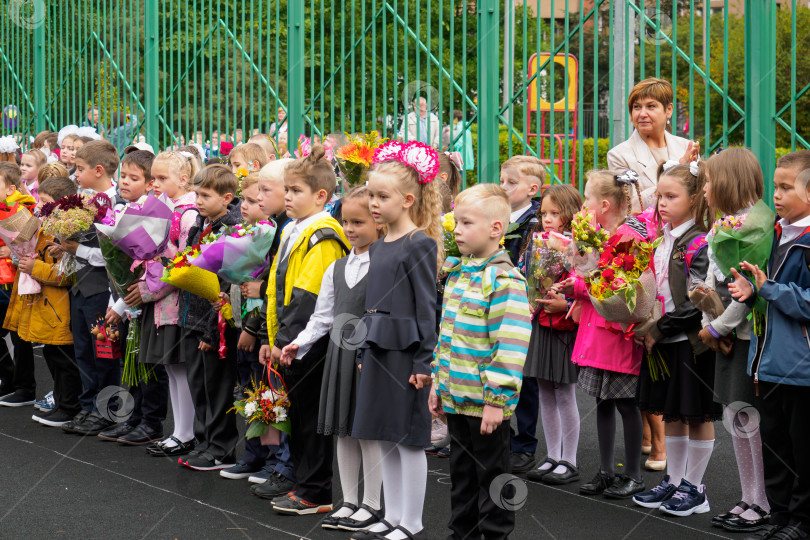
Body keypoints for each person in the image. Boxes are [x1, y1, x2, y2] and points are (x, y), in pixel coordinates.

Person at [348, 140, 442, 540]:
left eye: (381, 196)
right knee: (384, 436)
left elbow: (426, 309)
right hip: (378, 351)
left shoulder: (419, 243)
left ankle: (412, 520)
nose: (372, 203)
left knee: (408, 439)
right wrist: (366, 350)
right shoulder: (380, 242)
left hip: (406, 355)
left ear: (406, 200)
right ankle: (391, 514)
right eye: (370, 193)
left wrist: (424, 364)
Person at [280, 186, 385, 532]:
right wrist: (300, 343)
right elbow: (322, 317)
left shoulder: (385, 264)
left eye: (359, 222)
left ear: (379, 222)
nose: (350, 229)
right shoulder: (337, 267)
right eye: (346, 222)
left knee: (367, 431)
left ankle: (372, 504)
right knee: (342, 430)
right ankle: (348, 500)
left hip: (369, 357)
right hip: (339, 356)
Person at [430, 183, 531, 539]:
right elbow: (448, 337)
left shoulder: (504, 280)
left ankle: (494, 535)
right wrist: (438, 384)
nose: (457, 230)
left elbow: (510, 346)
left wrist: (496, 401)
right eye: (456, 222)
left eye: (466, 223)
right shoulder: (459, 274)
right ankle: (462, 534)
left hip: (486, 405)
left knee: (493, 478)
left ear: (496, 229)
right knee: (461, 477)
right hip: (457, 395)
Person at [258, 144, 349, 515]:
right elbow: (275, 290)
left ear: (321, 196)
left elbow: (308, 297)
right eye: (288, 190)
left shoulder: (322, 235)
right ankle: (303, 484)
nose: (288, 196)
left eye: (295, 191)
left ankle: (316, 491)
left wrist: (286, 342)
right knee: (297, 416)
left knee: (311, 420)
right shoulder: (295, 228)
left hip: (310, 344)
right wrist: (270, 337)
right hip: (290, 342)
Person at [632, 162, 722, 516]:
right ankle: (673, 480)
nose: (662, 203)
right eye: (660, 196)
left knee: (696, 413)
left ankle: (695, 488)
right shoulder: (663, 237)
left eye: (672, 196)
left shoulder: (699, 240)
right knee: (672, 413)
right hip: (665, 338)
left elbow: (695, 300)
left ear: (695, 198)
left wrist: (657, 329)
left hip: (689, 339)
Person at [729, 150, 810, 540]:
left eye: (784, 187)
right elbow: (768, 294)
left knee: (803, 449)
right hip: (766, 362)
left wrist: (769, 289)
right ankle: (780, 515)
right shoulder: (773, 233)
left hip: (801, 367)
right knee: (777, 445)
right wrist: (750, 291)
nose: (774, 195)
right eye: (774, 185)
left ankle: (802, 522)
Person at [694, 149, 771, 533]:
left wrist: (718, 327)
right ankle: (747, 496)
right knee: (733, 417)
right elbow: (713, 279)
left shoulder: (754, 227)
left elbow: (744, 292)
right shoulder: (722, 225)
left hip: (743, 336)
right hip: (724, 333)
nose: (704, 188)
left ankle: (761, 500)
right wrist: (709, 318)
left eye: (708, 181)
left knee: (748, 419)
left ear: (726, 182)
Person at [563, 170, 648, 499]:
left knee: (626, 404)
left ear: (604, 204)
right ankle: (605, 471)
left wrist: (578, 284)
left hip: (617, 336)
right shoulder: (599, 235)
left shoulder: (629, 237)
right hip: (597, 333)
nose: (583, 205)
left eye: (586, 199)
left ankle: (634, 475)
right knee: (602, 402)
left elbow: (620, 290)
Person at [178, 165, 242, 471]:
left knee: (217, 387)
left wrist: (210, 333)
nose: (198, 201)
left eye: (205, 195)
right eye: (196, 194)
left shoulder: (232, 228)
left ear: (227, 197)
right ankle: (204, 441)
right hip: (193, 316)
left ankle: (221, 447)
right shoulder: (201, 224)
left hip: (214, 324)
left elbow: (226, 285)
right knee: (199, 385)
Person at [57, 140, 122, 436]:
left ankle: (107, 410)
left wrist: (77, 250)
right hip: (81, 288)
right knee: (83, 350)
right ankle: (88, 404)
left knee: (104, 353)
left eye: (79, 169)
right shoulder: (87, 200)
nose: (75, 173)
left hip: (101, 290)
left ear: (98, 170)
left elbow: (111, 256)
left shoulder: (117, 202)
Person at [4, 177, 80, 427]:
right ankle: (61, 402)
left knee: (62, 356)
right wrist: (21, 258)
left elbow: (66, 274)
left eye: (46, 203)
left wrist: (33, 265)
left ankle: (69, 406)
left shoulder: (69, 228)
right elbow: (25, 245)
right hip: (43, 301)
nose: (40, 207)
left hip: (58, 304)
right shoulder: (43, 223)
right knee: (52, 352)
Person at [141, 151, 202, 459]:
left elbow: (189, 259)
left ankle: (186, 432)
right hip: (165, 298)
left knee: (181, 366)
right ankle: (179, 430)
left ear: (182, 178)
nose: (156, 184)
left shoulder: (187, 212)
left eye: (162, 179)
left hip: (178, 299)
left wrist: (162, 253)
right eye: (154, 178)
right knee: (172, 367)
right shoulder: (169, 208)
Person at [523, 184, 583, 485]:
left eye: (555, 213)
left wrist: (566, 302)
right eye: (544, 212)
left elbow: (585, 283)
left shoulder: (579, 245)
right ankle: (552, 454)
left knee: (564, 392)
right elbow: (528, 276)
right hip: (539, 321)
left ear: (570, 213)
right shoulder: (534, 243)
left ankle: (569, 460)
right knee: (545, 390)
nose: (547, 218)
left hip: (562, 325)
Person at [244, 158, 296, 499]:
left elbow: (282, 287)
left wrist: (259, 293)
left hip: (287, 334)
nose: (259, 197)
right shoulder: (278, 227)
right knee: (270, 396)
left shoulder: (289, 228)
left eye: (266, 190)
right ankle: (277, 462)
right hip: (270, 328)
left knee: (284, 400)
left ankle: (285, 466)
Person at [498, 154, 542, 474]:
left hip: (523, 305)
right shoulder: (497, 215)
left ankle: (525, 443)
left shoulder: (535, 222)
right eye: (502, 181)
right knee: (499, 370)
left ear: (532, 189)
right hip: (496, 302)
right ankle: (502, 435)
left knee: (525, 378)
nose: (503, 187)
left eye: (511, 183)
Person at [607, 78, 699, 213]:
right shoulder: (619, 155)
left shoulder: (685, 148)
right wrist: (678, 172)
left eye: (651, 106)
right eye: (636, 107)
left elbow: (700, 196)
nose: (642, 114)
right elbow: (629, 205)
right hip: (645, 232)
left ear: (668, 110)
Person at [0, 162, 38, 407]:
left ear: (10, 188)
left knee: (18, 333)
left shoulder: (19, 211)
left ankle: (24, 386)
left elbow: (25, 245)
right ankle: (9, 378)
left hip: (11, 279)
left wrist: (9, 251)